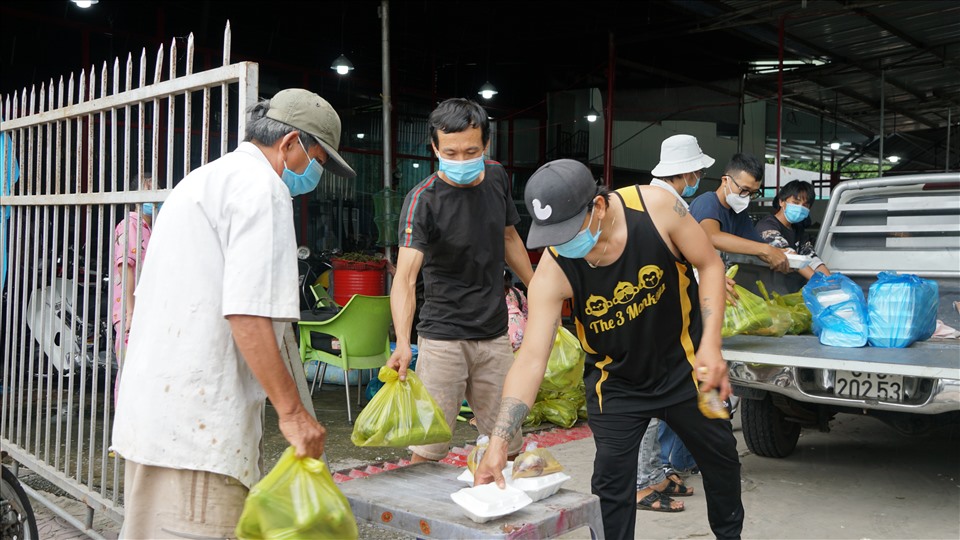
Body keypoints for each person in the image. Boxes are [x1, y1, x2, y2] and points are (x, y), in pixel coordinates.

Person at [111, 88, 356, 539]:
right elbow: (247, 315)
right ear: (289, 144)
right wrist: (293, 414)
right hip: (197, 432)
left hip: (155, 417)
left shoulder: (204, 180)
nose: (314, 172)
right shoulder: (264, 189)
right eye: (317, 159)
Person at [475, 159, 743, 540]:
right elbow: (532, 359)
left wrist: (712, 346)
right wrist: (499, 442)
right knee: (611, 486)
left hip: (688, 370)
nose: (563, 244)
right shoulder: (553, 271)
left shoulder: (657, 208)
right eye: (552, 235)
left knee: (723, 466)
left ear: (598, 207)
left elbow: (709, 265)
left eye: (568, 231)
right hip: (616, 385)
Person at [388, 98, 534, 464]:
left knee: (508, 441)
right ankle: (423, 520)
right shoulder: (422, 200)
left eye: (470, 151)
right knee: (429, 445)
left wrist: (537, 287)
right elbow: (405, 278)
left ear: (486, 145)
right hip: (442, 340)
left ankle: (504, 516)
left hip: (494, 335)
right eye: (449, 152)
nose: (460, 160)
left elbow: (510, 238)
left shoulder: (497, 177)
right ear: (435, 148)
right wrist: (403, 342)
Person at [688, 153, 790, 273]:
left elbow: (755, 245)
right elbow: (713, 237)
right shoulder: (707, 202)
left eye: (753, 193)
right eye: (744, 190)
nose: (747, 196)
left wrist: (781, 255)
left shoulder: (739, 213)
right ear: (725, 180)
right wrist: (766, 250)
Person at [111, 175, 155, 404]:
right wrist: (130, 312)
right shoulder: (130, 224)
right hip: (132, 313)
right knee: (130, 373)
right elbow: (125, 267)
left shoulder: (149, 226)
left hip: (146, 310)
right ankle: (124, 431)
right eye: (152, 189)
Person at [755, 180, 831, 283]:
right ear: (781, 202)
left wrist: (830, 281)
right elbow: (790, 256)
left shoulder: (798, 228)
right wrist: (819, 282)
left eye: (805, 205)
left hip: (787, 286)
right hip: (766, 285)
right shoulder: (767, 226)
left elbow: (811, 257)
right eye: (795, 203)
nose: (800, 208)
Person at [504, 270, 528, 352]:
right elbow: (526, 313)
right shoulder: (517, 292)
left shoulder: (489, 292)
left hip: (501, 338)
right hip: (520, 339)